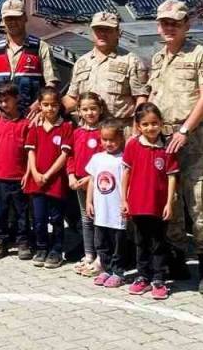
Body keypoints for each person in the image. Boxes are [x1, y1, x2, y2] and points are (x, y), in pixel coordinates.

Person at [150, 0, 203, 295]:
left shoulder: (200, 54)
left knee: (200, 202)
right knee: (172, 201)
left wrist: (184, 130)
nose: (169, 28)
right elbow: (154, 96)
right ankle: (177, 259)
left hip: (190, 138)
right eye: (164, 23)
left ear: (186, 25)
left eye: (175, 23)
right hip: (163, 138)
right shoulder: (157, 58)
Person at [122, 103, 179, 301]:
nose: (150, 128)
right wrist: (124, 200)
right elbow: (126, 173)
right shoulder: (132, 145)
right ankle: (142, 277)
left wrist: (169, 203)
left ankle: (159, 279)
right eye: (145, 124)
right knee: (140, 242)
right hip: (137, 205)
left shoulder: (167, 148)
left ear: (161, 123)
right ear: (138, 126)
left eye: (154, 123)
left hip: (159, 206)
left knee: (158, 242)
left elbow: (172, 176)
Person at [0, 0, 60, 116]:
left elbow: (52, 83)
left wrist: (38, 105)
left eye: (17, 18)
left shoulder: (40, 47)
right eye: (8, 19)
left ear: (25, 18)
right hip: (0, 118)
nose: (12, 22)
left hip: (30, 115)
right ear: (3, 21)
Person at [63, 11, 149, 120]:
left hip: (119, 127)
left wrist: (137, 125)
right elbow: (73, 98)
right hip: (88, 128)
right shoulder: (82, 63)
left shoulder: (131, 61)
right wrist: (49, 112)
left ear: (118, 33)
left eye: (108, 30)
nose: (102, 34)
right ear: (92, 32)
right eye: (98, 29)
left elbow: (141, 98)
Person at [23, 87, 73, 269]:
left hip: (56, 181)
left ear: (60, 106)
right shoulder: (35, 128)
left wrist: (48, 174)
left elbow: (64, 155)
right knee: (39, 218)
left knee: (57, 218)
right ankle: (42, 247)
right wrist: (35, 173)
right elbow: (31, 152)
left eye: (54, 105)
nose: (50, 108)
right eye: (45, 105)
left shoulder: (66, 127)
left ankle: (56, 250)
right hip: (37, 181)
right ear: (40, 106)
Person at [0, 82, 30, 261]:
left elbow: (30, 152)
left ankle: (23, 241)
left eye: (7, 100)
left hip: (20, 177)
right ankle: (0, 240)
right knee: (0, 211)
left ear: (16, 98)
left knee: (22, 212)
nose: (4, 104)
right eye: (0, 101)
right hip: (0, 176)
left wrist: (28, 173)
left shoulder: (26, 123)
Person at [85, 119, 128, 289]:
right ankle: (105, 269)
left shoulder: (124, 160)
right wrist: (89, 201)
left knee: (117, 244)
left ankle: (118, 272)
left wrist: (126, 203)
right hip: (101, 211)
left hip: (116, 212)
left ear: (121, 139)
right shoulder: (97, 158)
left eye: (112, 140)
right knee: (101, 243)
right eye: (105, 139)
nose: (108, 143)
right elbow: (92, 180)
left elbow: (127, 184)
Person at [69, 92, 105, 276]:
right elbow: (70, 156)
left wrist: (91, 178)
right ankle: (89, 254)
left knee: (99, 219)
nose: (90, 113)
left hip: (98, 184)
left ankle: (101, 257)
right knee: (86, 219)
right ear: (79, 111)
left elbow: (106, 160)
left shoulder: (104, 133)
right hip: (80, 184)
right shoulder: (76, 133)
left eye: (93, 108)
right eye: (85, 109)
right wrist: (71, 176)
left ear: (100, 109)